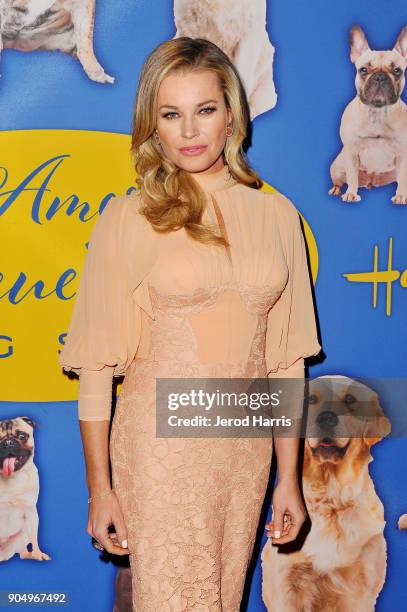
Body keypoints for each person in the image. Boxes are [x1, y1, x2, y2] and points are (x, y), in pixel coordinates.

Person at [59, 37, 322, 611]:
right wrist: (99, 488)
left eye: (205, 110)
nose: (190, 130)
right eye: (171, 115)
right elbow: (98, 367)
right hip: (159, 450)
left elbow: (286, 361)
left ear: (231, 114)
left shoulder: (277, 216)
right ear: (152, 125)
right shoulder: (128, 218)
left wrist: (289, 479)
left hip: (243, 454)